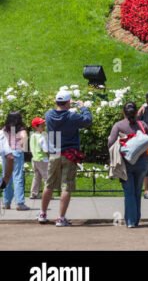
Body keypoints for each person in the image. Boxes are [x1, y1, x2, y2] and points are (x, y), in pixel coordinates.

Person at [40, 90, 93, 226]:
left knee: (49, 184)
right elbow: (88, 121)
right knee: (66, 186)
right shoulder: (72, 116)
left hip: (54, 154)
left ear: (56, 102)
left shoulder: (49, 114)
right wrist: (83, 107)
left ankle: (42, 214)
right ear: (68, 102)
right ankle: (61, 218)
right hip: (69, 153)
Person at [108, 102, 148, 228]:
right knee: (137, 191)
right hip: (142, 162)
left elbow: (111, 143)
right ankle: (135, 219)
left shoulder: (118, 126)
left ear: (123, 112)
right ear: (136, 112)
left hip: (126, 163)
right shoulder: (142, 124)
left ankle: (131, 221)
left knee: (129, 192)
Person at [2, 112, 29, 211]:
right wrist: (20, 145)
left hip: (6, 154)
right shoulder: (20, 129)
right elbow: (24, 138)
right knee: (18, 177)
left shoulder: (5, 128)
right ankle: (20, 203)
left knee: (6, 177)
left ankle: (6, 202)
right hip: (17, 153)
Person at [29, 117, 49, 200]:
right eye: (41, 125)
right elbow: (46, 149)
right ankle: (47, 195)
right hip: (42, 159)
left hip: (34, 159)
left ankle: (34, 193)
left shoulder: (32, 135)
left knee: (36, 177)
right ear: (36, 127)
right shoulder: (41, 136)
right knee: (47, 177)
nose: (43, 127)